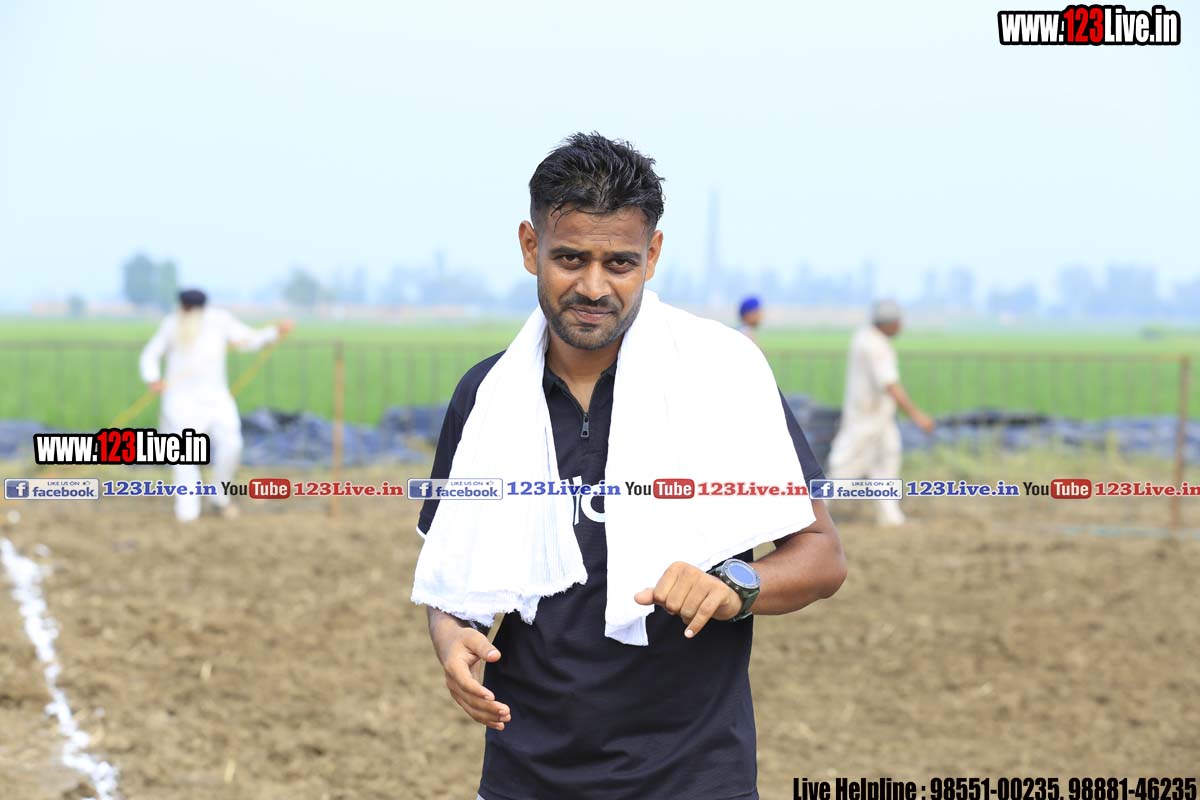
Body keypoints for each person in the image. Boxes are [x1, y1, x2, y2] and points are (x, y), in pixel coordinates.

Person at [413, 133, 846, 800]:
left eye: (619, 263)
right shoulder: (486, 396)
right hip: (525, 776)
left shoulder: (723, 375)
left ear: (653, 255)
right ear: (529, 247)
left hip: (695, 777)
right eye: (569, 258)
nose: (593, 286)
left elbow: (821, 556)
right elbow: (453, 579)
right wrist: (452, 638)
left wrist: (735, 586)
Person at [138, 289, 293, 522]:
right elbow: (150, 355)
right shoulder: (171, 324)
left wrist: (274, 332)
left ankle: (219, 498)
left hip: (216, 398)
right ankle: (187, 512)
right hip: (181, 401)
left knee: (232, 444)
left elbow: (247, 339)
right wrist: (152, 378)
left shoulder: (220, 320)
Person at [827, 299, 934, 527]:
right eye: (898, 321)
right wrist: (916, 415)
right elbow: (889, 384)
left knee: (887, 461)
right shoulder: (876, 346)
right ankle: (816, 510)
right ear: (889, 323)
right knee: (844, 464)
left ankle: (890, 516)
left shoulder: (863, 337)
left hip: (879, 417)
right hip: (866, 417)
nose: (901, 326)